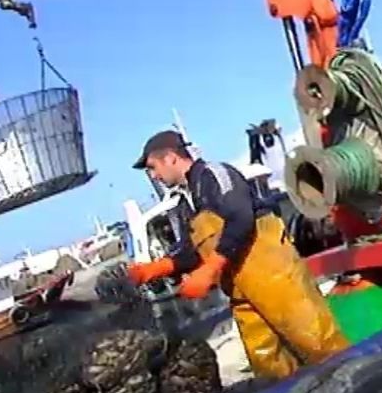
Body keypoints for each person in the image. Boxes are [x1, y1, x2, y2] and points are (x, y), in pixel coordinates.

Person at [126, 130, 350, 379]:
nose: (154, 176)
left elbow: (241, 218)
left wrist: (210, 269)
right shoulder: (183, 204)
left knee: (318, 342)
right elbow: (191, 251)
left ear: (170, 158)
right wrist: (151, 270)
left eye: (153, 167)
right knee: (267, 364)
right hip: (239, 290)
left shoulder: (214, 175)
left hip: (273, 274)